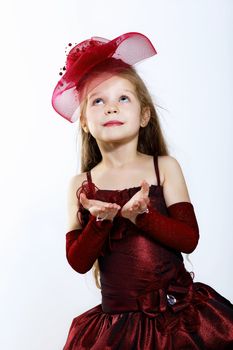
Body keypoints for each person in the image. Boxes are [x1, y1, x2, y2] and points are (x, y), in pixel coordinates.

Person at [52, 32, 233, 349]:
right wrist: (100, 222)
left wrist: (144, 216)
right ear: (83, 120)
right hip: (117, 328)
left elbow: (189, 239)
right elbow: (78, 261)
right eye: (98, 100)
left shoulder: (164, 167)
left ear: (144, 114)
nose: (111, 108)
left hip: (176, 322)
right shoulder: (81, 184)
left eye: (123, 98)